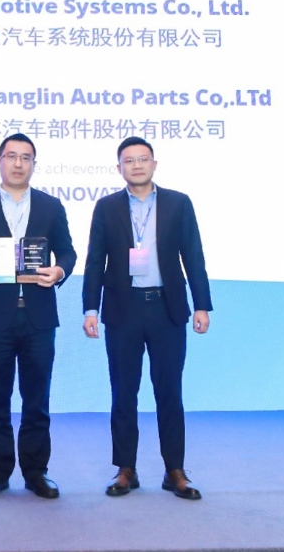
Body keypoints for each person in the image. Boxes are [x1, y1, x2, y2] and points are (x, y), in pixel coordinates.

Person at [82, 136, 212, 500]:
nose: (137, 165)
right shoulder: (107, 207)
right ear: (119, 167)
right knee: (124, 392)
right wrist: (90, 308)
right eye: (129, 160)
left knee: (169, 391)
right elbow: (95, 260)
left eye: (143, 159)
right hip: (123, 311)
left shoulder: (178, 203)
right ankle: (126, 469)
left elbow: (193, 255)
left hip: (166, 308)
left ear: (154, 164)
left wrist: (201, 304)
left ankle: (175, 471)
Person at [0, 133, 76, 499]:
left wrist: (59, 271)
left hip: (39, 318)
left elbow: (68, 253)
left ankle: (36, 472)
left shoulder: (51, 206)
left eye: (26, 157)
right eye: (11, 156)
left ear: (33, 165)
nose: (18, 163)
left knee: (37, 399)